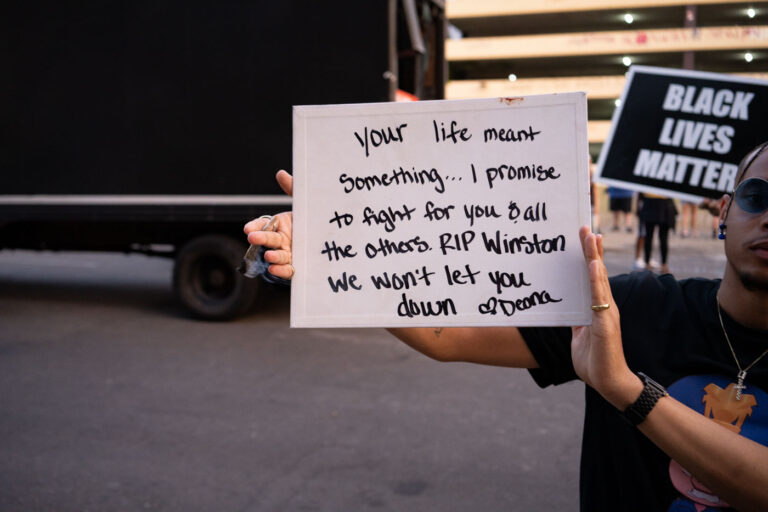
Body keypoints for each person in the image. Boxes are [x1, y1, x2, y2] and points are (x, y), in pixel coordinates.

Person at [244, 143, 768, 511]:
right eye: (757, 197)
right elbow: (448, 337)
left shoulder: (620, 338)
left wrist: (624, 388)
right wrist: (339, 253)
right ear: (724, 211)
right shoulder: (632, 305)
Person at [638, 193, 677, 274]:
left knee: (662, 237)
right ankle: (648, 263)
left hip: (663, 202)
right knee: (650, 236)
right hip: (651, 201)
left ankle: (663, 264)